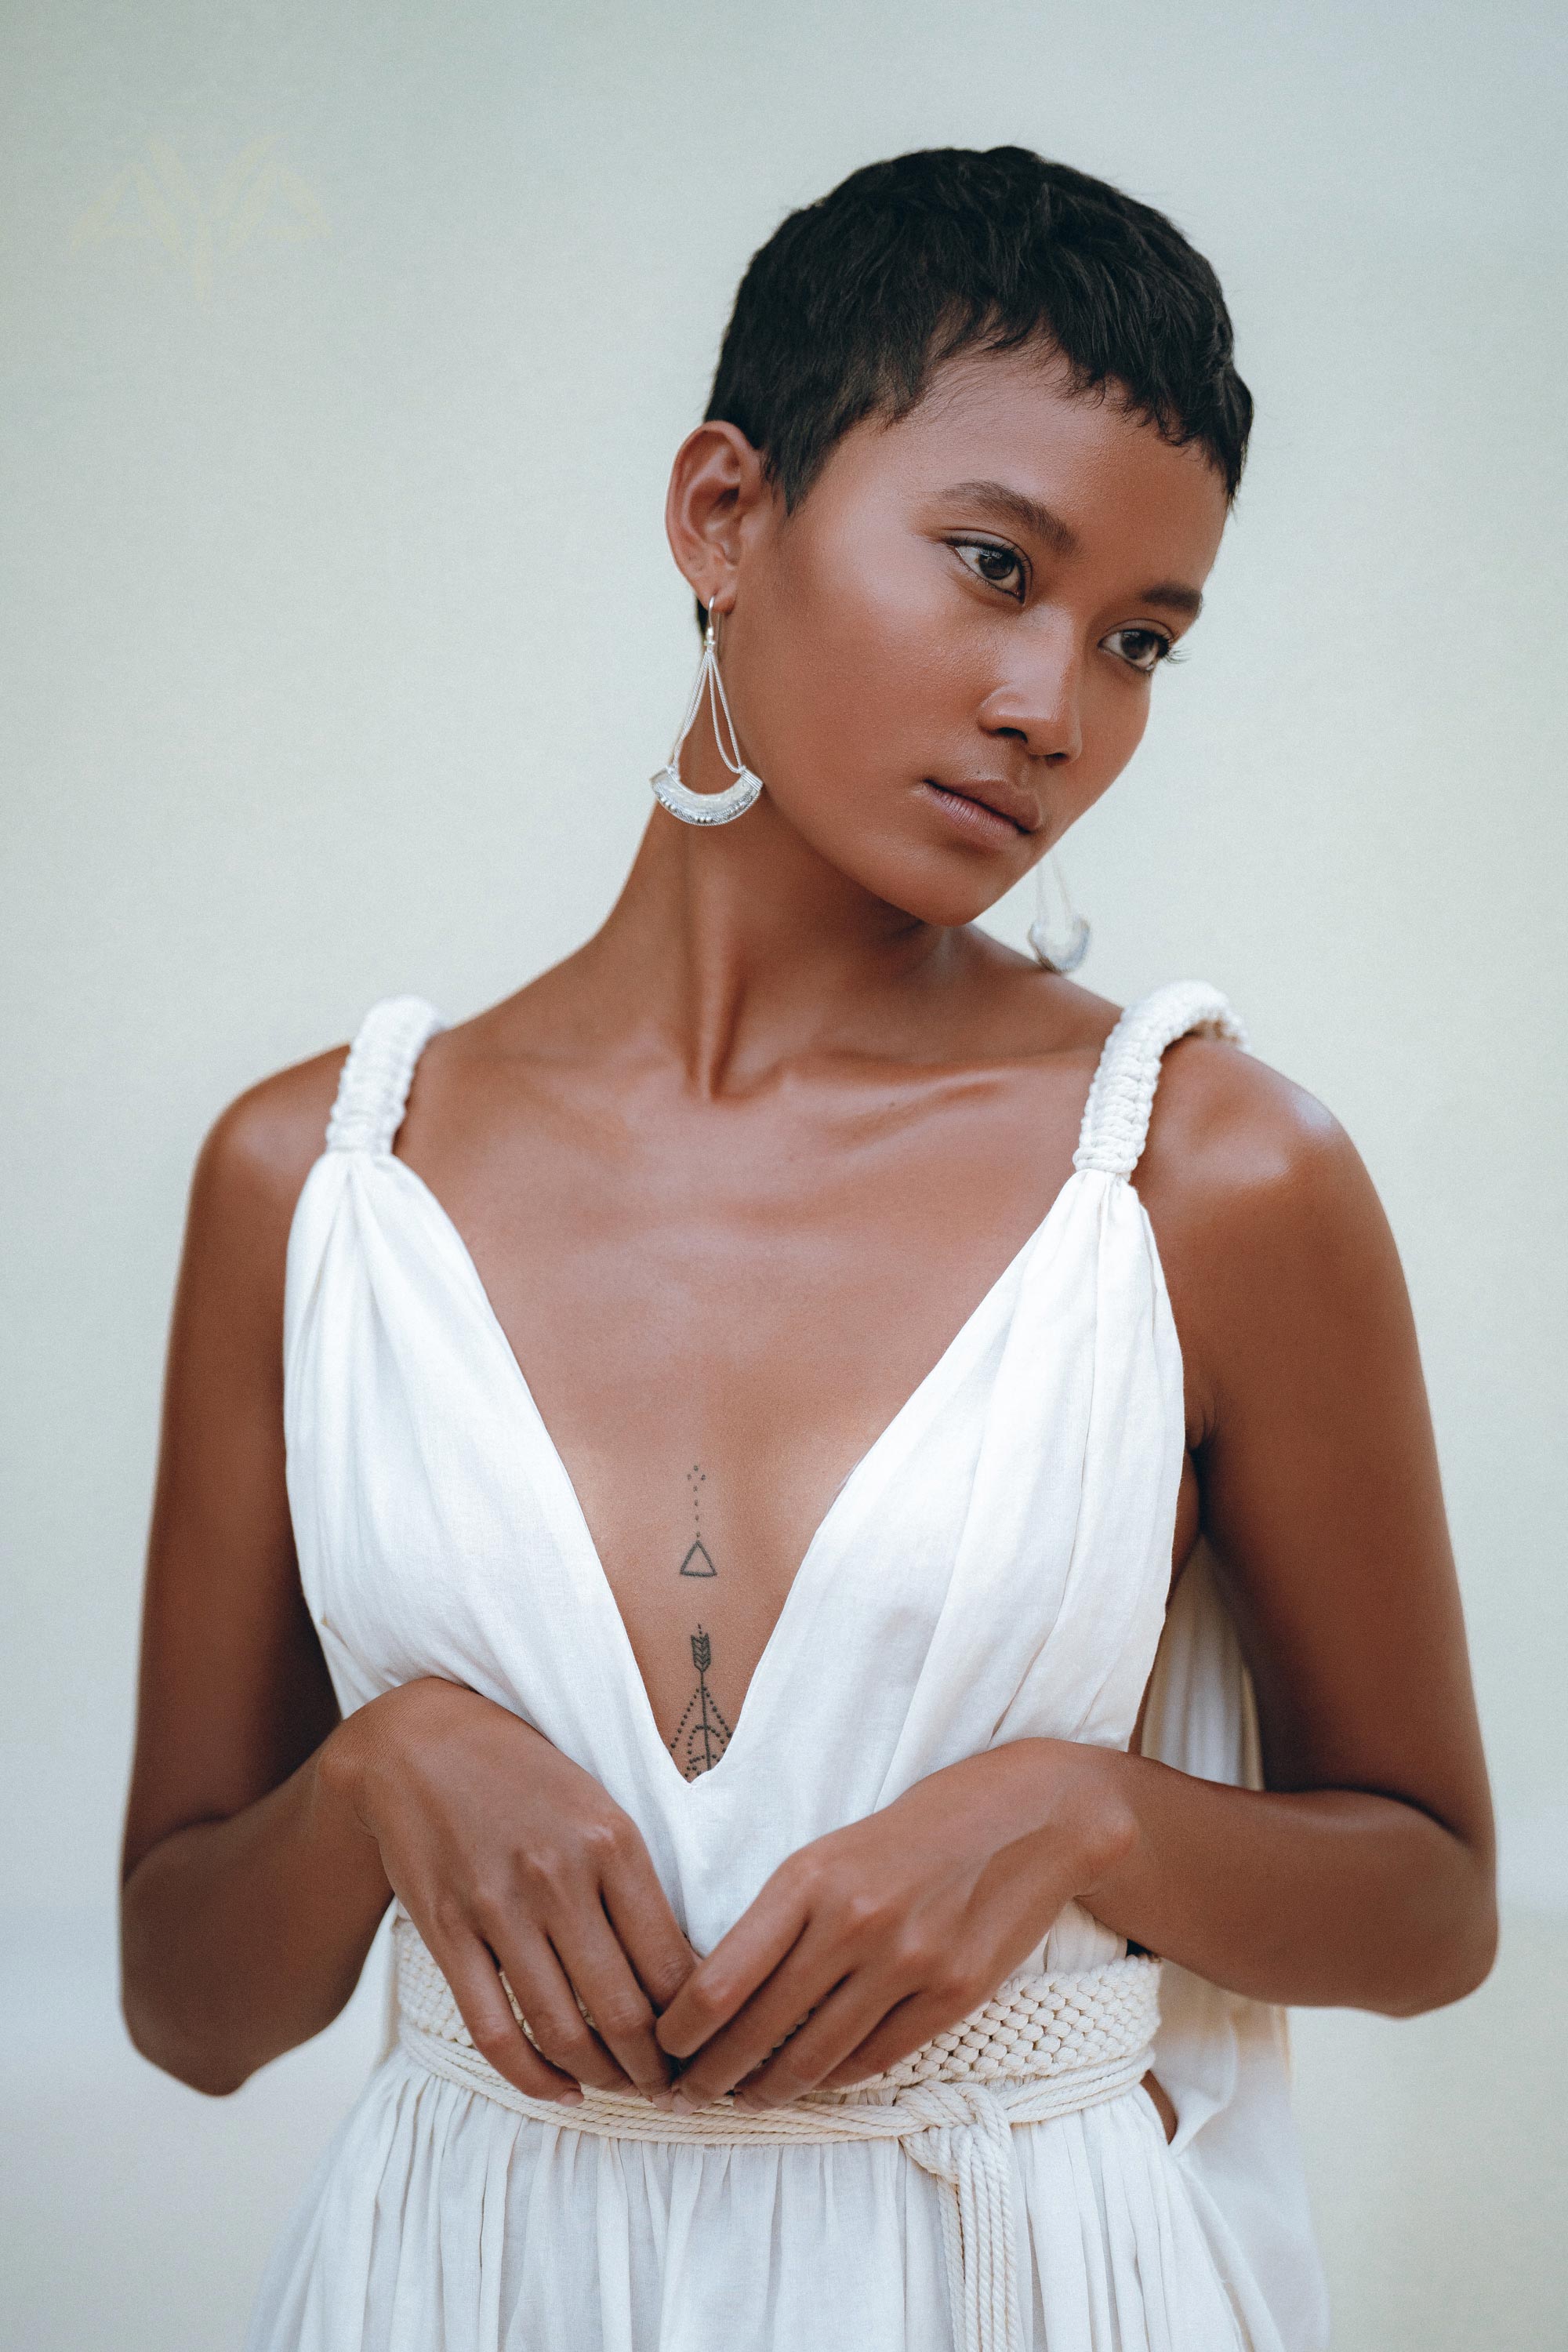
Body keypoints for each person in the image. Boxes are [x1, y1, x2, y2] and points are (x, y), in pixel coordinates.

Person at [119, 147, 1497, 2352]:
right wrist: (383, 1780)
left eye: (1141, 641)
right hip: (458, 2293)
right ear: (723, 516)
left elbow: (1431, 1898)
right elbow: (191, 2004)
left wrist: (1081, 1821)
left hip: (1023, 2296)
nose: (1058, 706)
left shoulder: (1205, 1180)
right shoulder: (316, 1178)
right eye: (991, 565)